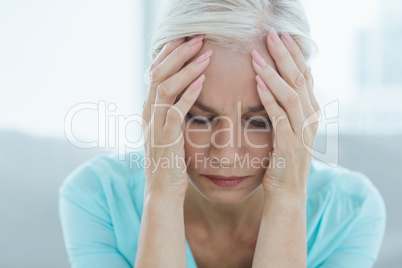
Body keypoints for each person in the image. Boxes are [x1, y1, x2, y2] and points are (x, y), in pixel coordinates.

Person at [58, 0, 386, 267]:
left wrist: (287, 198)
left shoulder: (350, 213)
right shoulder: (96, 198)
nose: (227, 155)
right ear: (158, 105)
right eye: (199, 119)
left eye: (261, 122)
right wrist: (161, 196)